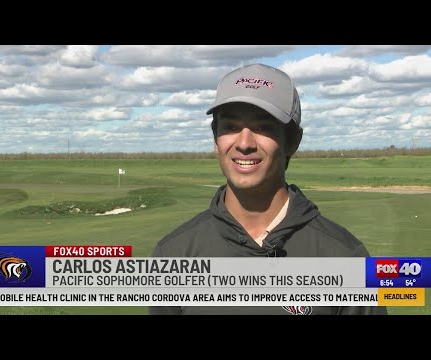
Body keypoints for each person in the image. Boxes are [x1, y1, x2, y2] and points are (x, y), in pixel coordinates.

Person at [150, 63, 387, 315]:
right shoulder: (174, 254)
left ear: (292, 141)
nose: (244, 143)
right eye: (230, 127)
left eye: (263, 127)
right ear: (215, 139)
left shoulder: (345, 257)